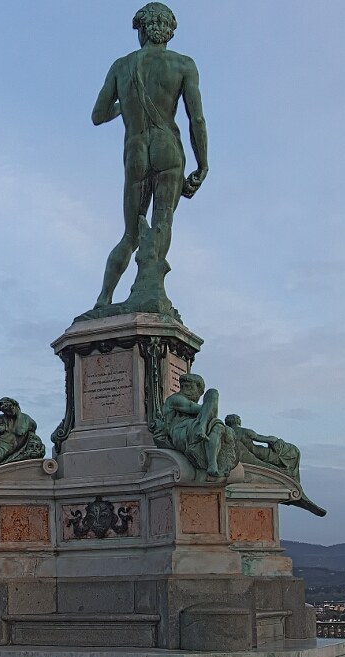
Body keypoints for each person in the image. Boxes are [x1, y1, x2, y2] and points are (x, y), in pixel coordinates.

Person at [91, 2, 208, 309]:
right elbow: (196, 119)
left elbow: (98, 114)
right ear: (168, 31)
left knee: (130, 233)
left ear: (141, 30)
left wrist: (126, 107)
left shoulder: (121, 66)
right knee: (162, 222)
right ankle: (150, 286)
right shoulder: (184, 64)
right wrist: (203, 163)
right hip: (168, 147)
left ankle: (104, 299)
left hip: (136, 151)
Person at [155, 373, 235, 478]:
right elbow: (192, 407)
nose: (184, 389)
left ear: (199, 390)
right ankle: (202, 426)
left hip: (195, 426)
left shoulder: (196, 409)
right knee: (213, 395)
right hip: (180, 432)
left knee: (218, 426)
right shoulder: (175, 399)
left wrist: (209, 408)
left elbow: (207, 411)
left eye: (188, 386)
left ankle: (212, 464)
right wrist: (210, 403)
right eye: (182, 386)